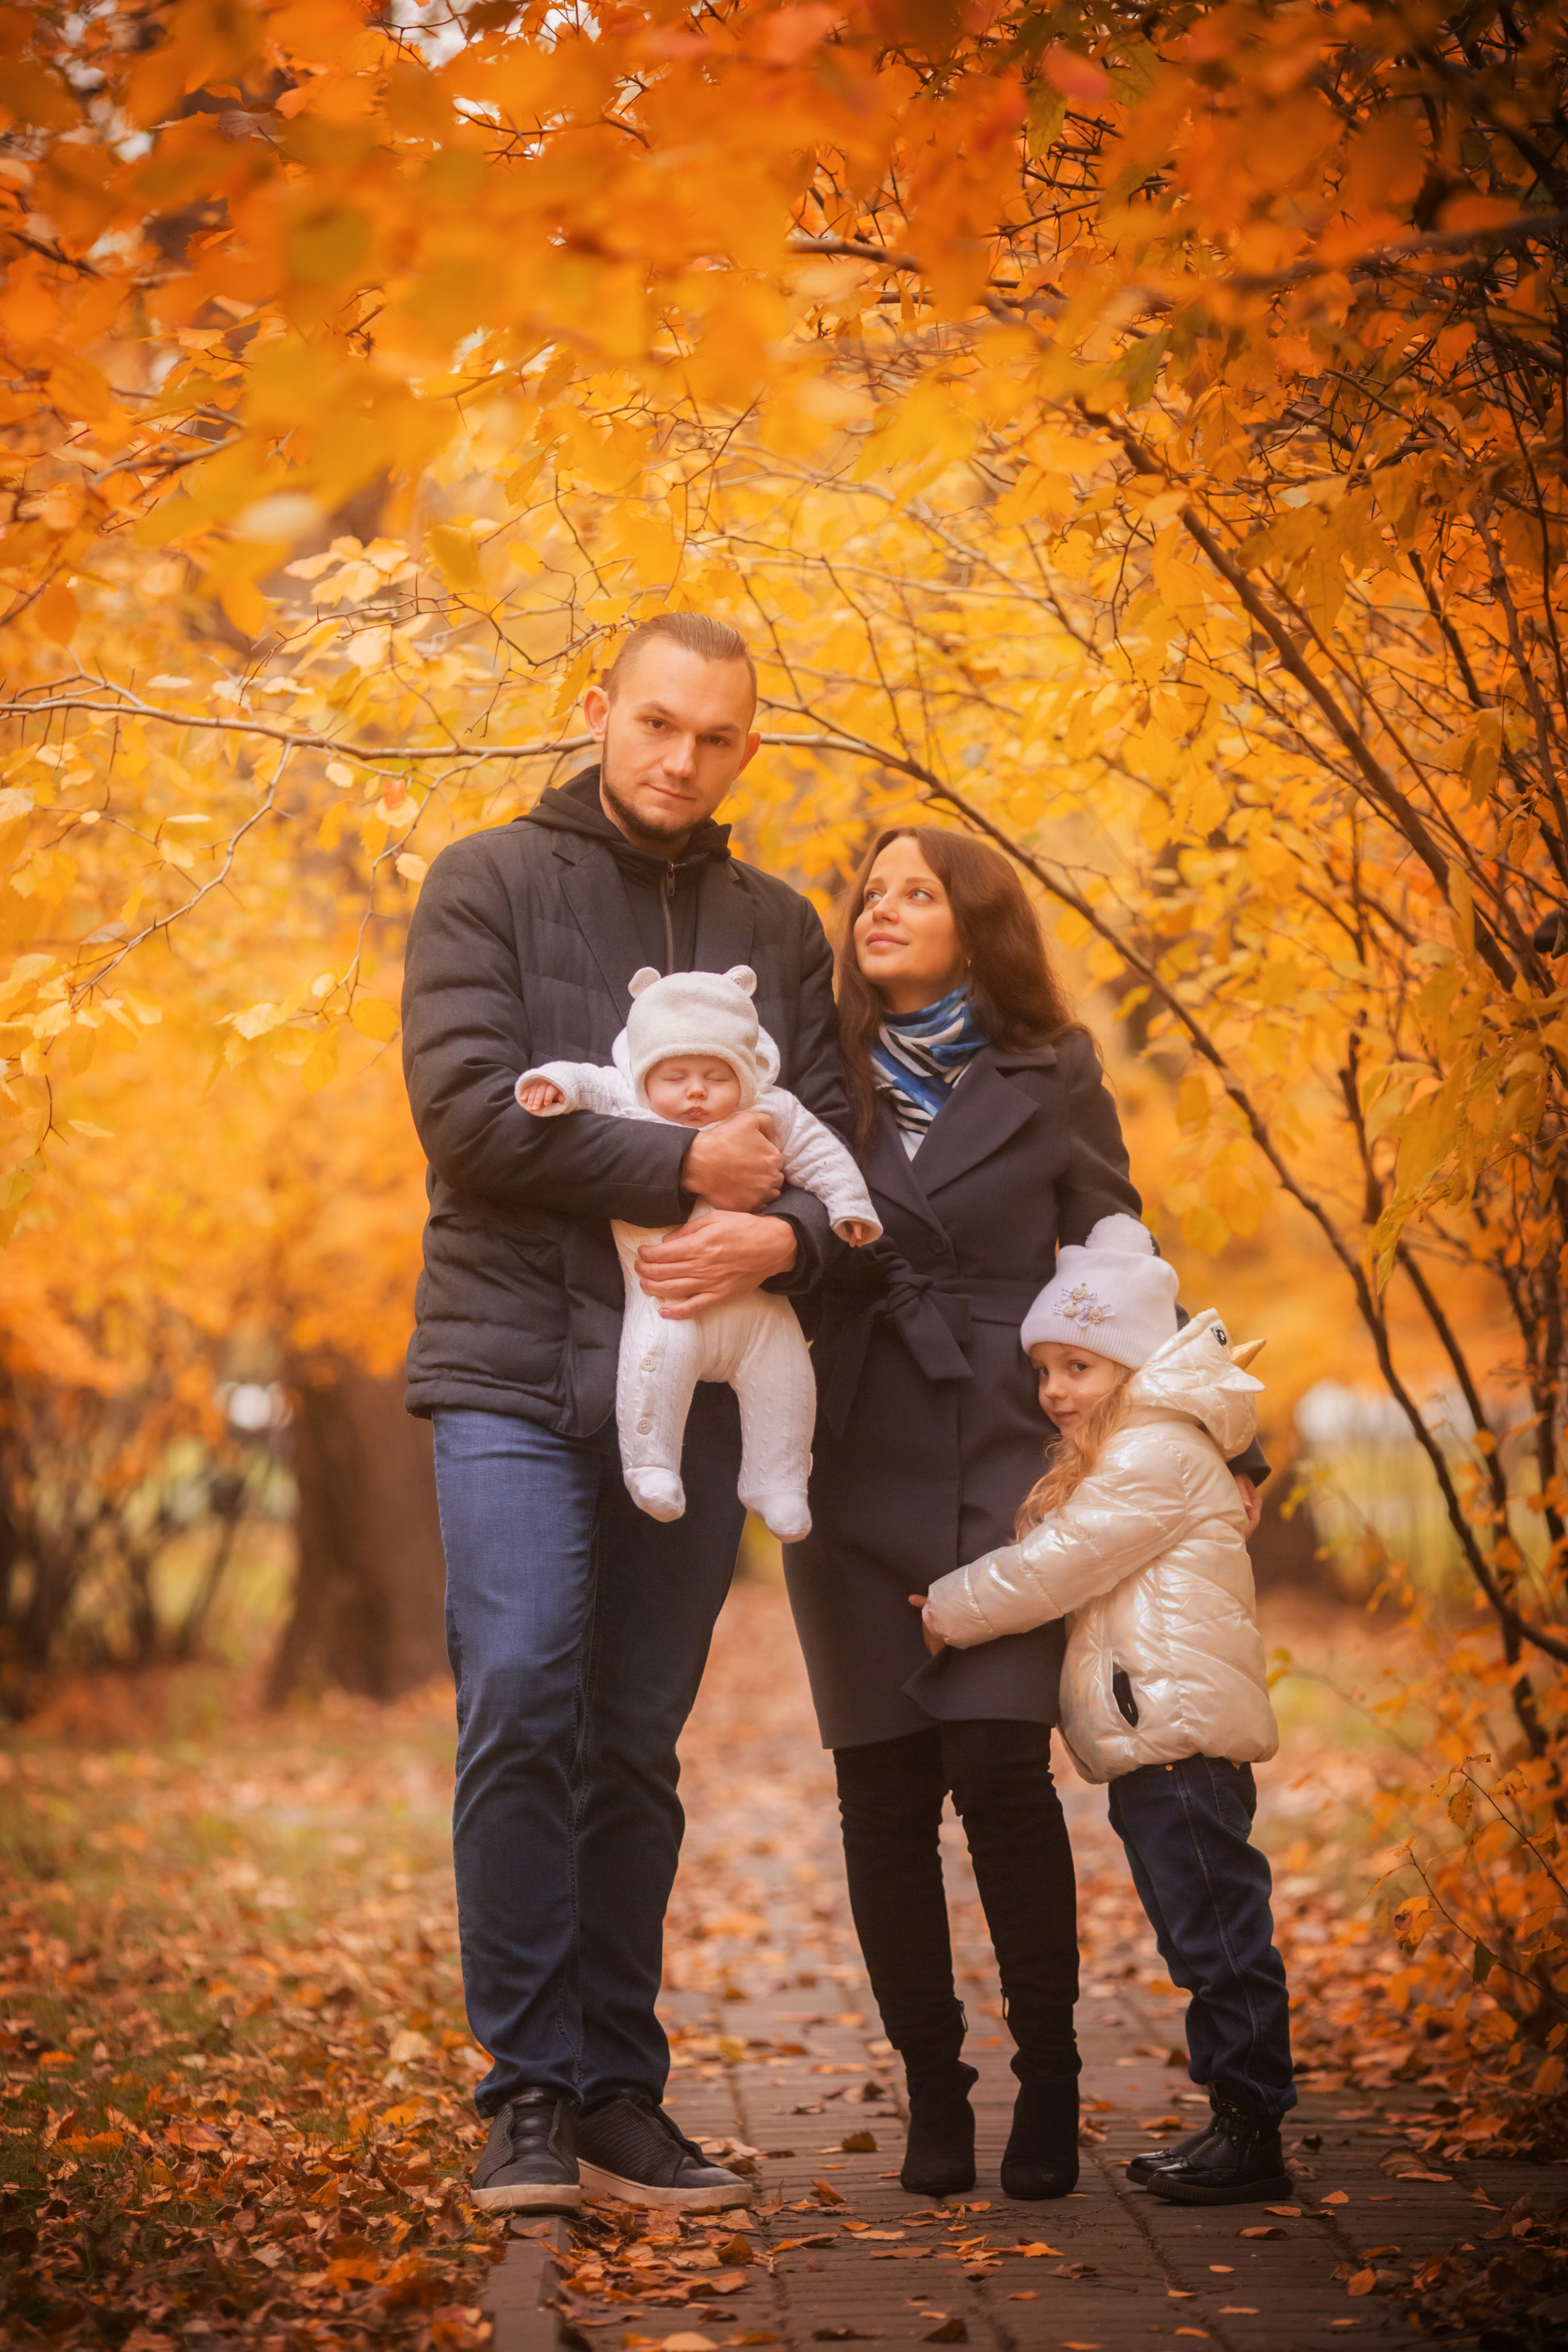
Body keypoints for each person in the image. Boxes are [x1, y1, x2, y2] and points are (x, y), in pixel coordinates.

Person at [401, 611, 848, 2214]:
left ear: (747, 748)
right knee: (522, 1693)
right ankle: (522, 2093)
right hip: (511, 1368)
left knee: (632, 1741)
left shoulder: (778, 925)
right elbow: (468, 1122)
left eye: (717, 736)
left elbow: (836, 1152)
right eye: (657, 723)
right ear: (600, 711)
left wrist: (783, 1234)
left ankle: (614, 2093)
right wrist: (688, 1169)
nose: (682, 759)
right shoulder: (487, 883)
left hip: (706, 1384)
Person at [782, 826, 1267, 2204]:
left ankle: (1045, 2083)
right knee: (877, 1794)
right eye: (868, 894)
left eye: (915, 893)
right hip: (848, 1442)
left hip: (1012, 1453)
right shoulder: (812, 1069)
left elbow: (1125, 1269)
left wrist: (1220, 1425)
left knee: (999, 1774)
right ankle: (933, 2092)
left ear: (974, 922)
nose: (880, 912)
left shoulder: (1052, 1074)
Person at [919, 1215, 1295, 2206]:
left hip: (1181, 1739)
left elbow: (1061, 1565)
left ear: (1132, 1366)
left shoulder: (1155, 1454)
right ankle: (1237, 2120)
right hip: (1159, 1737)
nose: (1055, 1388)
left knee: (1216, 1932)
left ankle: (1252, 2129)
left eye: (1079, 1366)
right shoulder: (1136, 1449)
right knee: (1198, 1930)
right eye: (1046, 1367)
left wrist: (949, 1610)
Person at [515, 961, 878, 1540]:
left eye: (715, 1076)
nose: (695, 1091)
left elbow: (824, 1154)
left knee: (788, 1378)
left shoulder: (770, 1111)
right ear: (645, 1073)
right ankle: (652, 1465)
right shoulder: (629, 1103)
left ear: (745, 1073)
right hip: (669, 1298)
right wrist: (555, 1088)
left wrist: (849, 1208)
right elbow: (587, 1079)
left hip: (758, 1305)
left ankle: (779, 1481)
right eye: (676, 1075)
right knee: (653, 1364)